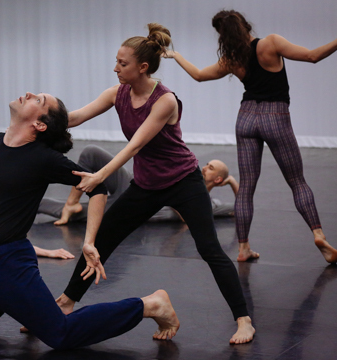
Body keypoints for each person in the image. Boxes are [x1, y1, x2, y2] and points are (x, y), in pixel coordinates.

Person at [0, 91, 180, 349]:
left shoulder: (42, 158)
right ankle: (14, 304)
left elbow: (97, 187)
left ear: (39, 124)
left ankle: (149, 305)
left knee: (60, 334)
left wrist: (89, 242)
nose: (30, 93)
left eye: (39, 100)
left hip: (8, 263)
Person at [54, 23, 254, 344]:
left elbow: (135, 146)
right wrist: (41, 117)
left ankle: (244, 319)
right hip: (147, 184)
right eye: (116, 61)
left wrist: (101, 175)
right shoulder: (116, 94)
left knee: (210, 249)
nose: (115, 68)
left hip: (183, 181)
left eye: (122, 63)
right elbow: (74, 117)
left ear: (142, 67)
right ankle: (66, 301)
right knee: (103, 238)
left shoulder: (165, 101)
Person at [163, 9, 337, 264]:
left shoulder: (232, 60)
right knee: (297, 182)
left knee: (246, 187)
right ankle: (318, 234)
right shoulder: (271, 43)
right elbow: (312, 56)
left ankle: (243, 248)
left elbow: (199, 75)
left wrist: (175, 54)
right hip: (275, 116)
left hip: (245, 118)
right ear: (245, 25)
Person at [39, 145, 238, 224]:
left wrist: (231, 182)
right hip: (132, 187)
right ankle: (70, 203)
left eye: (210, 168)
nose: (204, 167)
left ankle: (36, 204)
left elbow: (238, 209)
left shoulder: (209, 205)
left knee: (80, 213)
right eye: (207, 164)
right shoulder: (185, 181)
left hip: (133, 209)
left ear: (218, 179)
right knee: (91, 154)